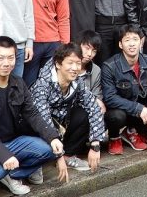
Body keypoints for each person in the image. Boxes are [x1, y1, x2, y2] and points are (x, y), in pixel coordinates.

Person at [0, 36, 61, 197]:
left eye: (11, 58)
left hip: (15, 142)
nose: (6, 63)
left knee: (50, 149)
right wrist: (4, 155)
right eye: (1, 58)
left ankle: (12, 174)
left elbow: (32, 113)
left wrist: (52, 136)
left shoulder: (18, 83)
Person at [29, 43, 105, 172]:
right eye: (70, 63)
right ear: (58, 64)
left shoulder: (77, 82)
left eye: (78, 63)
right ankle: (37, 163)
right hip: (39, 129)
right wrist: (57, 154)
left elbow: (93, 106)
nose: (75, 68)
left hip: (62, 124)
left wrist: (95, 144)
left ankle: (68, 156)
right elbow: (43, 120)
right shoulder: (43, 85)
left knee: (85, 113)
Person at [101, 24, 147, 154]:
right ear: (120, 45)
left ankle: (132, 131)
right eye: (127, 40)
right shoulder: (109, 66)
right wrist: (138, 108)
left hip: (139, 109)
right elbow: (109, 98)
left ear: (141, 42)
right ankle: (114, 137)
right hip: (121, 110)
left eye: (135, 40)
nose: (132, 44)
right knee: (116, 116)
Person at [19, 0, 70, 84]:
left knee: (49, 82)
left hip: (53, 42)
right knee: (28, 81)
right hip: (31, 40)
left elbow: (64, 19)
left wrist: (64, 46)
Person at [75, 30, 106, 114]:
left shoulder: (96, 70)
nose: (90, 54)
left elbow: (97, 97)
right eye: (87, 48)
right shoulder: (66, 63)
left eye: (94, 51)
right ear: (78, 45)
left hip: (86, 110)